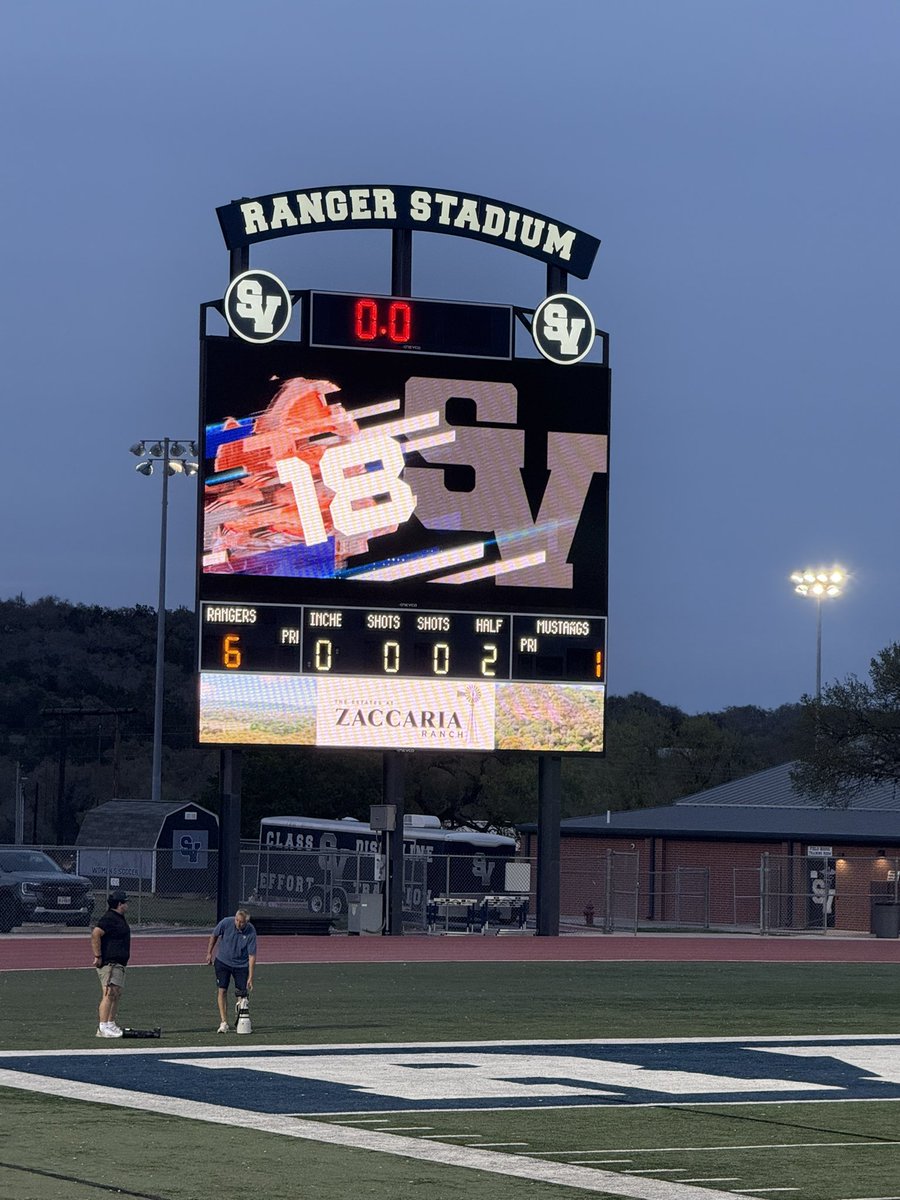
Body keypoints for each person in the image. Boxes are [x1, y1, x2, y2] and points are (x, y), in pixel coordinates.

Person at [205, 908, 257, 1033]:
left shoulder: (251, 931)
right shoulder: (226, 923)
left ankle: (241, 1020)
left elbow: (252, 956)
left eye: (242, 922)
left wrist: (251, 976)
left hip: (241, 965)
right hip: (223, 961)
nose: (238, 924)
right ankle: (223, 1022)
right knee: (222, 990)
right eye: (237, 920)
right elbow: (214, 935)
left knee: (242, 994)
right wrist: (209, 953)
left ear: (246, 922)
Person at [91, 890, 131, 1038]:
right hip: (110, 963)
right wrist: (98, 955)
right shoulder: (109, 918)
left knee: (116, 994)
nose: (127, 905)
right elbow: (96, 933)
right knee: (109, 993)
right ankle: (102, 1026)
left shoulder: (119, 918)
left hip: (119, 963)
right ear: (119, 904)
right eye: (125, 902)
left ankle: (111, 1023)